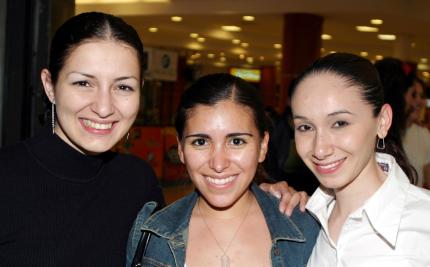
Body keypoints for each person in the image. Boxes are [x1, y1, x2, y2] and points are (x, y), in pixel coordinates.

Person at [0, 12, 165, 267]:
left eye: (123, 87)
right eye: (83, 83)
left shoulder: (138, 182)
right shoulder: (6, 178)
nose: (103, 107)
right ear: (50, 86)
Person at [126, 73, 320, 267]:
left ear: (262, 146)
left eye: (236, 141)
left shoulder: (306, 229)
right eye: (200, 142)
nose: (218, 165)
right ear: (181, 149)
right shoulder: (151, 235)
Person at [289, 52, 430, 266]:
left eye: (340, 123)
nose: (320, 149)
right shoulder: (302, 222)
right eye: (305, 127)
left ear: (382, 122)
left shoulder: (423, 222)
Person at [403, 74, 430, 188]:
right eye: (414, 95)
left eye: (422, 96)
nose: (421, 102)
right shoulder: (384, 135)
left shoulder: (423, 133)